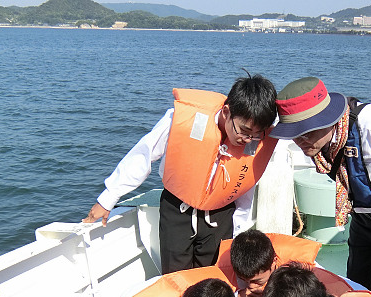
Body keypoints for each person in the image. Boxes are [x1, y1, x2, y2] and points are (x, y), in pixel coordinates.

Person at [83, 74, 278, 274]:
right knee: (175, 276)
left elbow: (244, 185)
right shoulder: (180, 119)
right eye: (244, 131)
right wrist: (108, 197)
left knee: (214, 278)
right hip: (177, 209)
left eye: (256, 134)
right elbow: (144, 154)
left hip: (220, 214)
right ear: (227, 111)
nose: (248, 139)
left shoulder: (252, 140)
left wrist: (239, 232)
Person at [270, 77, 371, 297]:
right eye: (295, 134)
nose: (301, 141)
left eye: (307, 132)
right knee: (355, 283)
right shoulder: (321, 145)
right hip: (362, 213)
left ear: (328, 120)